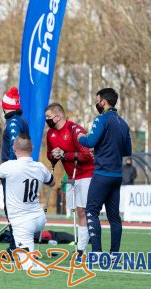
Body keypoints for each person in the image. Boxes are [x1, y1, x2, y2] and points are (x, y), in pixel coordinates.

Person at [0, 134, 55, 271]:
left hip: (22, 222)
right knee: (27, 258)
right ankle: (33, 257)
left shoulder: (8, 166)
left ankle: (36, 263)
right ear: (32, 148)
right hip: (39, 218)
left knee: (26, 265)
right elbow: (52, 182)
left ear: (14, 148)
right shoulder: (40, 167)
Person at [77, 88, 131, 261]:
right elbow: (127, 150)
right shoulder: (123, 123)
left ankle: (97, 252)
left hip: (102, 174)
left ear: (103, 102)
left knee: (91, 211)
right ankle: (114, 253)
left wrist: (80, 137)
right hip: (117, 175)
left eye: (97, 99)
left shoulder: (101, 119)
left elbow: (90, 141)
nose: (96, 103)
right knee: (114, 216)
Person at [45, 102, 94, 259]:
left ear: (58, 116)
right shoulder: (50, 134)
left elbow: (87, 154)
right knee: (76, 211)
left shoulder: (75, 129)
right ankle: (81, 246)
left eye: (49, 117)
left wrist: (65, 154)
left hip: (86, 173)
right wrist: (54, 155)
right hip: (71, 175)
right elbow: (50, 156)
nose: (47, 120)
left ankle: (81, 250)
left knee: (82, 210)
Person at [0, 87, 29, 255]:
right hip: (22, 171)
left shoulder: (13, 123)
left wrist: (10, 169)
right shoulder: (21, 120)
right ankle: (20, 244)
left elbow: (14, 147)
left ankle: (15, 245)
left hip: (14, 173)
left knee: (12, 209)